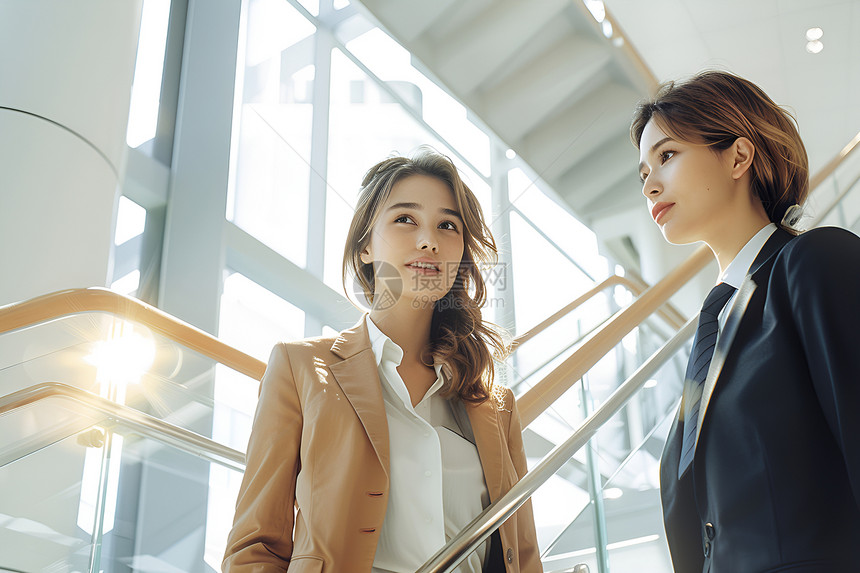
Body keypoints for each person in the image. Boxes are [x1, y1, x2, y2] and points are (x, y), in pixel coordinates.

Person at [222, 147, 542, 572]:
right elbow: (255, 548)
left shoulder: (495, 407)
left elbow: (522, 558)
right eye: (405, 219)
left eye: (448, 225)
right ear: (365, 247)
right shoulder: (300, 369)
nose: (428, 240)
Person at [632, 70, 860, 573]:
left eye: (667, 156)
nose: (649, 185)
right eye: (643, 171)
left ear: (738, 155)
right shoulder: (715, 332)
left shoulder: (815, 263)